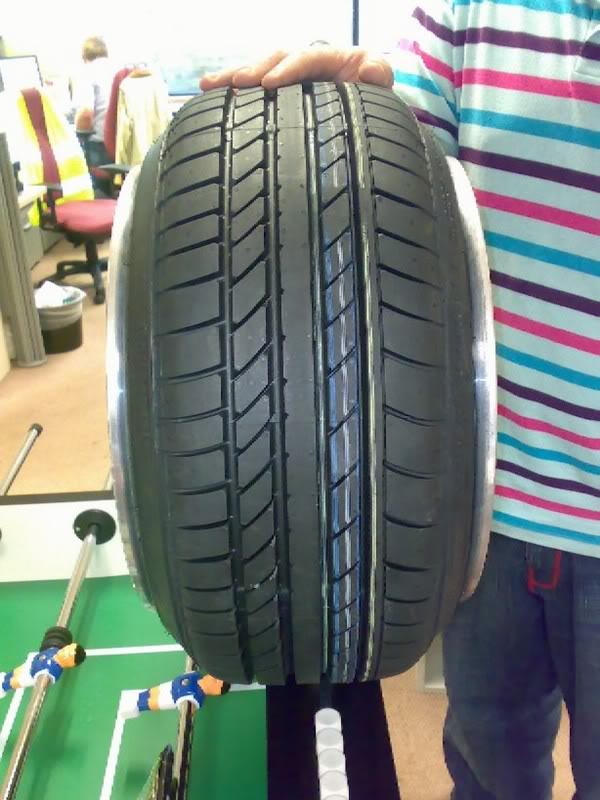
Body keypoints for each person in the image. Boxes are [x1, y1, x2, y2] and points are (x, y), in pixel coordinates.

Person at [201, 3, 600, 798]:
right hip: (489, 513)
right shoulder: (476, 9)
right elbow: (403, 148)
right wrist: (354, 106)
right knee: (487, 772)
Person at [73, 36, 114, 188]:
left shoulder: (88, 72)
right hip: (119, 144)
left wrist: (72, 132)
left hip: (100, 146)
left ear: (84, 57)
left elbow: (85, 114)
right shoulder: (116, 69)